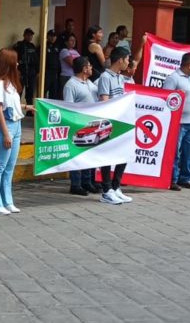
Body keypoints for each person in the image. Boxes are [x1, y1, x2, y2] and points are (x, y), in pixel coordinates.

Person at [0, 48, 33, 214]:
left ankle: (7, 200)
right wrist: (6, 133)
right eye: (15, 60)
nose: (18, 63)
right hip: (4, 126)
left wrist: (27, 107)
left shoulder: (11, 84)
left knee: (9, 166)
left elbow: (11, 105)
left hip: (16, 124)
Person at [96, 46, 135, 204]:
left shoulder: (120, 77)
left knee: (123, 153)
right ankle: (106, 190)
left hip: (121, 120)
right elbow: (104, 101)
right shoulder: (105, 77)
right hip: (110, 122)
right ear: (120, 60)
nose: (128, 63)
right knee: (107, 156)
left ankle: (115, 186)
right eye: (127, 60)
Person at [163, 53, 190, 190]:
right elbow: (166, 99)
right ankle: (172, 179)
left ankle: (185, 178)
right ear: (189, 65)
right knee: (175, 152)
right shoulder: (173, 78)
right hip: (177, 123)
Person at [63, 56, 98, 196]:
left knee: (89, 154)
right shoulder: (70, 85)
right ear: (84, 69)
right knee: (77, 155)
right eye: (89, 66)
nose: (91, 68)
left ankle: (87, 181)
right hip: (78, 124)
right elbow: (68, 105)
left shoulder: (90, 83)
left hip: (92, 124)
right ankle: (75, 184)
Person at [14, 28, 39, 102]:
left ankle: (29, 111)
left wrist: (37, 71)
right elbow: (15, 57)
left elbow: (36, 60)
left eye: (31, 35)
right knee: (18, 91)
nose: (30, 37)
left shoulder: (32, 46)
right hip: (22, 71)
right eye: (28, 35)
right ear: (24, 35)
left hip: (31, 72)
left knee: (30, 93)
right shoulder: (19, 45)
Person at [43, 29, 62, 99]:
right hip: (46, 72)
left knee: (54, 92)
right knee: (43, 91)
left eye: (54, 36)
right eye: (51, 36)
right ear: (47, 36)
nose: (53, 38)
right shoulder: (43, 46)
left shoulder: (57, 47)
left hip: (55, 73)